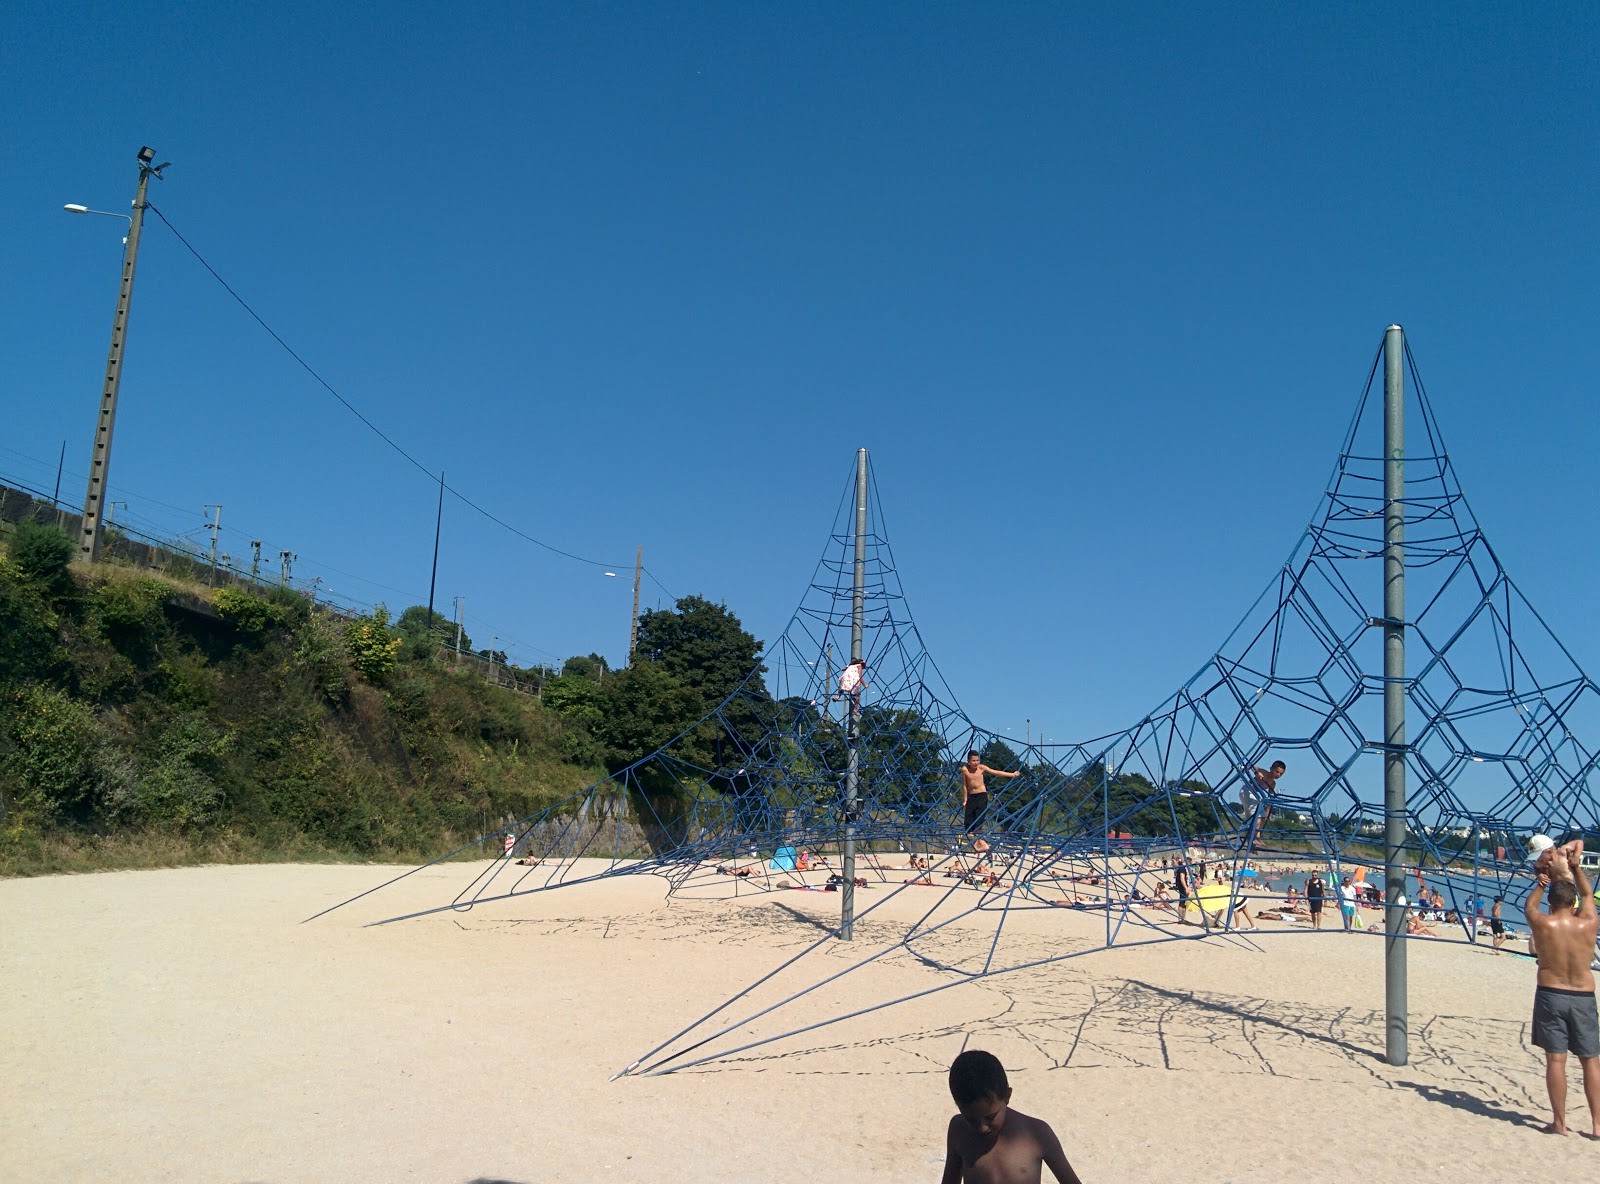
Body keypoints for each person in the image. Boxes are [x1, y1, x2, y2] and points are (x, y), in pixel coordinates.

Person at [1522, 847, 1599, 1138]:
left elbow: (1530, 908)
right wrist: (1576, 869)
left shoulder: (1543, 923)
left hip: (1551, 993)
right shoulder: (1589, 923)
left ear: (1551, 903)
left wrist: (1541, 884)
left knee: (1556, 1060)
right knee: (1591, 1060)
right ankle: (1597, 1125)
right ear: (1573, 903)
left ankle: (1560, 1123)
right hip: (1583, 995)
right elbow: (1589, 896)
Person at [941, 1049, 1084, 1184]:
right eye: (971, 1120)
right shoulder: (958, 1130)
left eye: (990, 1117)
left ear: (1007, 1096)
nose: (982, 1128)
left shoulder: (1037, 1134)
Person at [961, 750, 1020, 854]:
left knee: (978, 822)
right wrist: (965, 799)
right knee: (968, 824)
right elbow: (965, 785)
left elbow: (996, 772)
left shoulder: (981, 768)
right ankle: (978, 844)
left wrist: (1012, 774)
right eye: (973, 761)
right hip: (971, 797)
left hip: (982, 796)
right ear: (968, 761)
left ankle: (982, 843)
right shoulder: (965, 770)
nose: (976, 763)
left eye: (977, 760)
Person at [1242, 759, 1286, 825]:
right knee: (1258, 819)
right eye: (1277, 771)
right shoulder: (1264, 773)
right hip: (1247, 791)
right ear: (1271, 768)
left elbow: (1270, 798)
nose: (1278, 775)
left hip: (1253, 795)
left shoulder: (1273, 783)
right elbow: (1251, 765)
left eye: (1281, 774)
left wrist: (1267, 813)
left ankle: (1254, 834)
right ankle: (1253, 832)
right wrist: (1257, 772)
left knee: (1260, 818)